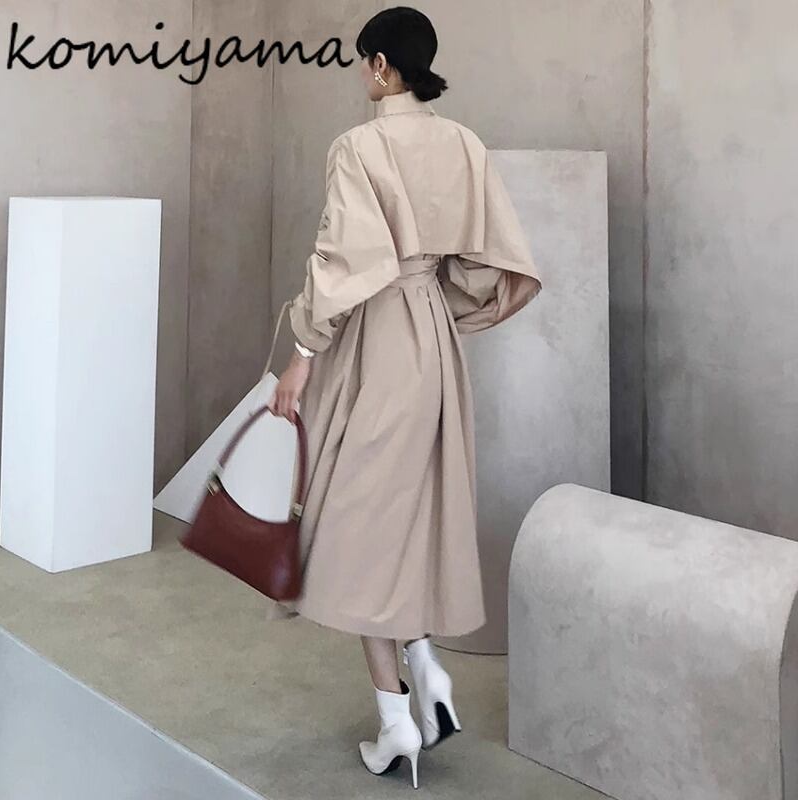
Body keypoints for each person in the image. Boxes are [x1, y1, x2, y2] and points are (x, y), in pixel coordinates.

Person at [265, 6, 542, 789]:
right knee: (410, 516)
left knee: (355, 529)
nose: (363, 74)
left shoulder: (359, 146)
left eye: (364, 61)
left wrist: (302, 355)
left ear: (383, 64)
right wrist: (436, 303)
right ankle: (426, 672)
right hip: (432, 339)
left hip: (376, 340)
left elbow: (340, 261)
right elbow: (489, 264)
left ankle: (397, 720)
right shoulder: (464, 144)